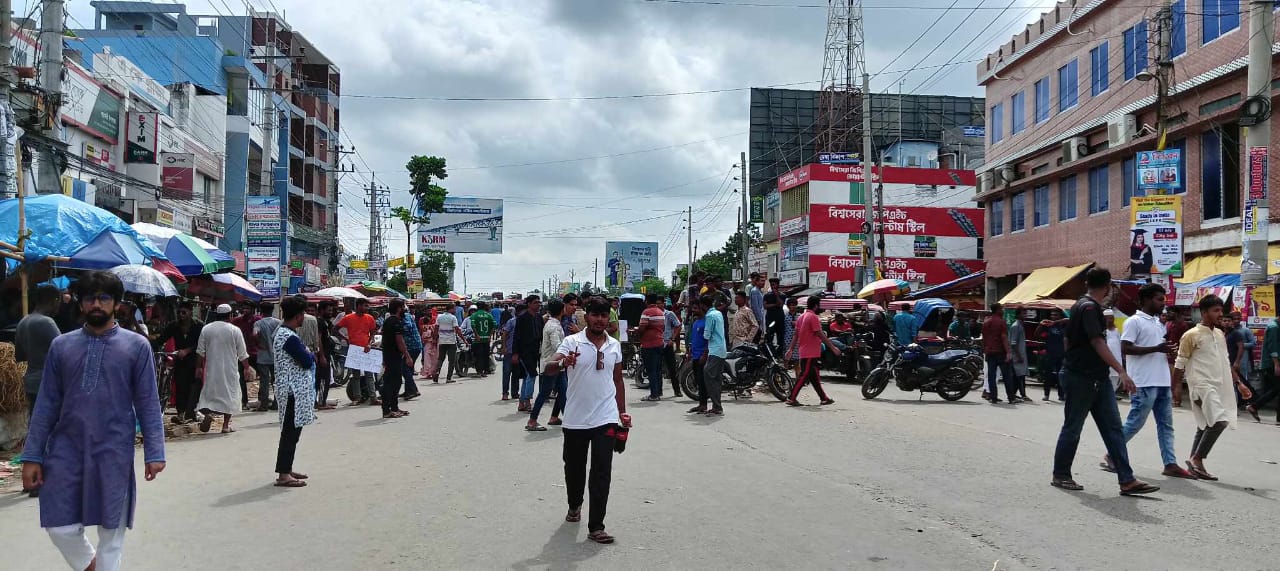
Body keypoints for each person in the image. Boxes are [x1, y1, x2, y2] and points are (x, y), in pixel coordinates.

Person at [22, 270, 166, 570]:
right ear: (81, 303)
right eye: (90, 298)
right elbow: (46, 404)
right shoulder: (61, 346)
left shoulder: (136, 346)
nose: (97, 304)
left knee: (111, 531)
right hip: (65, 448)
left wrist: (155, 452)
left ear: (116, 304)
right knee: (59, 524)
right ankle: (90, 565)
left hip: (113, 449)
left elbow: (148, 403)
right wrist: (32, 456)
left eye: (104, 298)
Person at [1050, 267, 1159, 496]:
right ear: (1109, 285)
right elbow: (1098, 342)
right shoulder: (1089, 308)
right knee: (1073, 427)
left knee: (1114, 430)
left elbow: (1069, 340)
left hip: (1094, 377)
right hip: (1083, 378)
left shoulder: (1081, 306)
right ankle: (1061, 474)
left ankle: (1127, 480)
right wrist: (1121, 370)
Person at [543, 296, 631, 545]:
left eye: (604, 316)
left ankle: (597, 526)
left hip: (606, 417)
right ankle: (574, 505)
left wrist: (622, 413)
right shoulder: (572, 342)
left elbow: (618, 380)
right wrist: (562, 364)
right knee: (574, 469)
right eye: (595, 315)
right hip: (576, 419)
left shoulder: (614, 345)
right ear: (587, 317)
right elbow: (549, 368)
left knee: (602, 471)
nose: (600, 320)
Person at [1104, 283, 1197, 479]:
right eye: (1159, 299)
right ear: (1146, 300)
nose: (1163, 303)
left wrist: (1165, 349)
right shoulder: (1134, 322)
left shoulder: (1157, 322)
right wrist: (1156, 349)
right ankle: (1111, 455)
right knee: (1135, 423)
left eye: (1163, 299)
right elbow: (1126, 348)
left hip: (1161, 380)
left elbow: (1156, 347)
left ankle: (1170, 463)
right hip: (1144, 382)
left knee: (1166, 425)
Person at [1174, 295, 1239, 481]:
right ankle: (1197, 458)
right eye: (1215, 311)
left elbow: (1226, 362)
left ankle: (1194, 463)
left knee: (1205, 424)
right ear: (1203, 313)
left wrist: (1239, 384)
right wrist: (1173, 388)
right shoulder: (1191, 335)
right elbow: (1180, 363)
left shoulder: (1219, 334)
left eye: (1221, 310)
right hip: (1201, 385)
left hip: (1217, 384)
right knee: (1219, 421)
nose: (1220, 314)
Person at [272, 296, 316, 488]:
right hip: (292, 390)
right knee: (290, 433)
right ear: (299, 316)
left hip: (290, 389)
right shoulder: (288, 337)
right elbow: (306, 360)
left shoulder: (283, 333)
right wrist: (310, 354)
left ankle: (286, 469)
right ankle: (283, 474)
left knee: (292, 432)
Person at [195, 304, 253, 434]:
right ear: (230, 315)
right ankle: (225, 425)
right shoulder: (235, 330)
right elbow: (242, 353)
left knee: (209, 394)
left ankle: (208, 414)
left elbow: (200, 352)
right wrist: (246, 368)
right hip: (230, 369)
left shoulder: (206, 329)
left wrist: (198, 367)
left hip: (211, 369)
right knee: (229, 395)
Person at [785, 295, 841, 407]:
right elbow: (820, 334)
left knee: (814, 376)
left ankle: (824, 398)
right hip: (810, 352)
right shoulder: (813, 317)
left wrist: (790, 349)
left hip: (804, 351)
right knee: (804, 375)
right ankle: (791, 397)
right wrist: (833, 347)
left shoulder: (801, 317)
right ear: (816, 306)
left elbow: (796, 335)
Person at [153, 301, 204, 424]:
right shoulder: (173, 326)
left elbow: (202, 344)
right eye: (179, 312)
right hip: (180, 362)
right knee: (181, 386)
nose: (181, 315)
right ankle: (181, 413)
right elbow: (160, 340)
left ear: (190, 312)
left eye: (184, 312)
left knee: (194, 387)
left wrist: (188, 350)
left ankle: (192, 411)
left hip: (195, 360)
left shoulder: (199, 326)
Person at [16, 285, 61, 420]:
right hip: (47, 383)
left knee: (34, 423)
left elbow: (19, 356)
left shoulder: (23, 321)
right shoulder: (47, 322)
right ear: (55, 301)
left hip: (30, 382)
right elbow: (64, 352)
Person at [528, 299, 568, 431]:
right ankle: (532, 421)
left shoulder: (553, 324)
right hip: (552, 364)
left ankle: (563, 419)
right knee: (545, 392)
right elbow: (558, 347)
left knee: (563, 391)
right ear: (562, 310)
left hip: (557, 365)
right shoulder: (554, 327)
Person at [335, 299, 378, 403]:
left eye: (367, 306)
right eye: (365, 306)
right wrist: (344, 338)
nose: (367, 308)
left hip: (366, 349)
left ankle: (373, 397)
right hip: (354, 349)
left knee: (369, 374)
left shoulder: (370, 318)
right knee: (355, 375)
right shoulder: (348, 318)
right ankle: (357, 398)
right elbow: (335, 329)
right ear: (358, 306)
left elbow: (372, 332)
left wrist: (369, 343)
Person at [379, 298, 414, 419]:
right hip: (393, 356)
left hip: (389, 356)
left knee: (396, 382)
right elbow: (400, 341)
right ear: (399, 308)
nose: (405, 309)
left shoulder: (389, 321)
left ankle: (394, 408)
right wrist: (408, 356)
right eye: (403, 307)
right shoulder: (396, 322)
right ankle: (387, 410)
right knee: (391, 383)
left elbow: (384, 340)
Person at [634, 293, 668, 402]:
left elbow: (642, 328)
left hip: (649, 344)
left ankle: (654, 394)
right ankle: (658, 391)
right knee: (657, 369)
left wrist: (636, 331)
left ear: (647, 301)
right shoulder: (660, 312)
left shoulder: (647, 312)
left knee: (651, 370)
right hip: (659, 342)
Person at [513, 294, 544, 409]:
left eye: (539, 302)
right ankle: (527, 400)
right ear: (529, 304)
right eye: (535, 302)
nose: (538, 304)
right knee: (532, 374)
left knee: (528, 376)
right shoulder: (522, 318)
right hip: (524, 351)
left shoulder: (539, 317)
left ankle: (521, 402)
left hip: (536, 350)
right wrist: (515, 353)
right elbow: (517, 336)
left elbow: (542, 335)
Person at [699, 294, 727, 415]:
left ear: (702, 305)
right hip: (721, 349)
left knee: (708, 375)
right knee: (716, 378)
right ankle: (717, 405)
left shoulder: (710, 316)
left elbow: (707, 335)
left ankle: (717, 405)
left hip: (714, 349)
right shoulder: (718, 313)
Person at [1248, 318, 1280, 423]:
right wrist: (1276, 364)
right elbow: (1273, 347)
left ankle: (1255, 406)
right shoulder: (1274, 327)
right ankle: (1254, 406)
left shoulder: (1274, 325)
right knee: (1277, 388)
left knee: (1275, 389)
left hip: (1272, 363)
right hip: (1272, 363)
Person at [982, 305, 1016, 404]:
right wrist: (1009, 352)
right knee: (1007, 376)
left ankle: (993, 397)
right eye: (1001, 309)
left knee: (991, 376)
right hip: (1000, 352)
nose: (1003, 311)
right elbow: (1004, 337)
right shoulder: (1001, 322)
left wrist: (985, 349)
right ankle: (1011, 397)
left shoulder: (986, 322)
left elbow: (984, 338)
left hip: (989, 352)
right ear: (997, 310)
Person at [252, 303, 282, 412]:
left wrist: (258, 343)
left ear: (261, 311)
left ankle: (264, 404)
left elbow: (255, 334)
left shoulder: (258, 323)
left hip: (263, 356)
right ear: (272, 310)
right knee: (277, 380)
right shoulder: (278, 322)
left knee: (264, 381)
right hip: (276, 356)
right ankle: (277, 403)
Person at [230, 302, 260, 411]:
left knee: (263, 376)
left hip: (256, 353)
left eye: (247, 308)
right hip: (241, 354)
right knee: (240, 378)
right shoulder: (236, 321)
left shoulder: (258, 320)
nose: (245, 310)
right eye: (244, 308)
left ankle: (261, 400)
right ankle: (243, 401)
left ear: (253, 309)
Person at [1036, 309, 1068, 401]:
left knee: (1061, 376)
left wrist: (1056, 322)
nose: (1053, 317)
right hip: (1050, 353)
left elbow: (1069, 319)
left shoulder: (1063, 325)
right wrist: (1040, 324)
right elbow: (1037, 334)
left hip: (1061, 354)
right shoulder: (1047, 326)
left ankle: (1061, 395)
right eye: (1052, 315)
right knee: (1047, 375)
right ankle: (1046, 395)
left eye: (1056, 315)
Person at [685, 300, 709, 414]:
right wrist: (689, 351)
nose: (693, 311)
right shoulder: (695, 322)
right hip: (694, 355)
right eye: (693, 308)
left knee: (702, 381)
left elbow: (708, 340)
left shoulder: (706, 322)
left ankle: (704, 405)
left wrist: (704, 354)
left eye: (696, 308)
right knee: (698, 381)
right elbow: (693, 339)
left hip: (702, 356)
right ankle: (701, 404)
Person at [1165, 308, 1190, 407]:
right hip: (1170, 354)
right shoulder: (1169, 324)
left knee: (1177, 379)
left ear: (1177, 313)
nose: (1168, 314)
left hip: (1178, 355)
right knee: (1171, 378)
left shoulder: (1183, 325)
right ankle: (1174, 399)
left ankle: (1177, 401)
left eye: (1170, 312)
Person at [314, 302, 337, 410]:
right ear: (322, 310)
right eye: (328, 310)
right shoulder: (320, 322)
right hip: (322, 356)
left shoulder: (326, 323)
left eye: (331, 310)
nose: (330, 313)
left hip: (326, 354)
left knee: (321, 379)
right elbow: (318, 339)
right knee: (323, 379)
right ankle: (321, 403)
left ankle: (319, 402)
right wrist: (322, 356)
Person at [499, 304, 524, 399]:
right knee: (506, 373)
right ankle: (505, 393)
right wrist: (504, 347)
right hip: (509, 351)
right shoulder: (512, 322)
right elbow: (504, 335)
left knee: (516, 373)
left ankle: (515, 392)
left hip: (520, 352)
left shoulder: (525, 322)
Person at [400, 302, 424, 401]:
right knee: (408, 369)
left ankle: (413, 390)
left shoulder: (405, 316)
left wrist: (396, 329)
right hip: (413, 345)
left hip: (412, 346)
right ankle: (408, 391)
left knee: (404, 368)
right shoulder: (408, 316)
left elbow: (407, 327)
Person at [661, 302, 683, 398]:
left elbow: (678, 325)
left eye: (660, 303)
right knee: (657, 369)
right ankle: (658, 391)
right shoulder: (654, 314)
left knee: (672, 369)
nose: (658, 305)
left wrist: (673, 338)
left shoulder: (669, 314)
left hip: (667, 343)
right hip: (657, 344)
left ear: (663, 304)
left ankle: (677, 391)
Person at [435, 303, 460, 383]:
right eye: (454, 308)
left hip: (442, 341)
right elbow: (457, 329)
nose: (455, 310)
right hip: (451, 341)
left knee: (440, 359)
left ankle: (437, 372)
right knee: (451, 360)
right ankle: (449, 378)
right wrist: (464, 340)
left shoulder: (439, 317)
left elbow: (436, 328)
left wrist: (435, 339)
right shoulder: (453, 317)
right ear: (451, 309)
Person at [471, 301, 496, 376]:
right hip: (486, 339)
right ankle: (486, 370)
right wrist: (490, 335)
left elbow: (473, 325)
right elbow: (494, 325)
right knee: (486, 355)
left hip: (478, 339)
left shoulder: (474, 315)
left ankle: (479, 371)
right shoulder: (489, 315)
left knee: (478, 355)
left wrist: (477, 335)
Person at [1008, 314, 1029, 401]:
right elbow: (1013, 343)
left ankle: (1019, 394)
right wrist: (1019, 356)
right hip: (1017, 355)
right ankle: (1015, 394)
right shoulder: (1016, 326)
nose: (1026, 314)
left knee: (1020, 376)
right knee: (1018, 376)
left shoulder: (1020, 326)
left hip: (1020, 354)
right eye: (1023, 312)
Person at [1104, 309, 1123, 394]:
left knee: (1114, 383)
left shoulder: (1117, 331)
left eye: (1111, 318)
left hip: (1117, 362)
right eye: (1107, 318)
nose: (1109, 320)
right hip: (1105, 362)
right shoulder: (1102, 331)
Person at [763, 284, 786, 352]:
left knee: (780, 337)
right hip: (770, 319)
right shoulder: (767, 295)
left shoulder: (782, 295)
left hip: (780, 319)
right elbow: (765, 306)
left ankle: (779, 353)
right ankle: (770, 352)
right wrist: (775, 304)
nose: (774, 288)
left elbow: (781, 304)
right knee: (769, 337)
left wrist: (777, 295)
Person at [748, 272, 766, 339]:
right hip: (757, 318)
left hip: (761, 317)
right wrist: (759, 319)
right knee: (756, 336)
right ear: (757, 281)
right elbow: (755, 307)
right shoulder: (754, 291)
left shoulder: (760, 291)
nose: (763, 283)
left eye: (764, 281)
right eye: (761, 281)